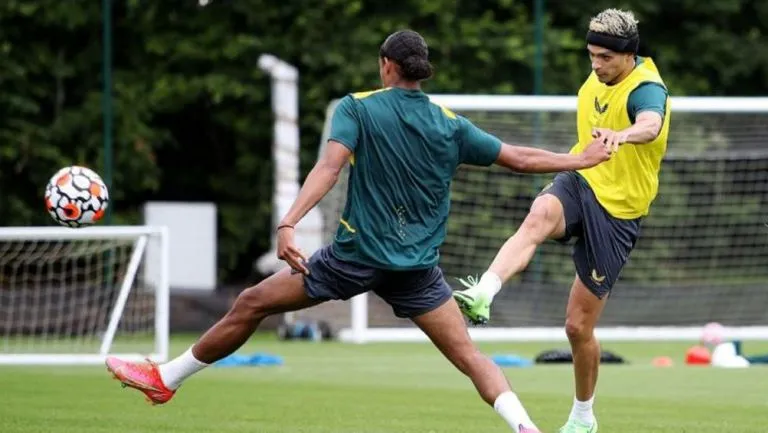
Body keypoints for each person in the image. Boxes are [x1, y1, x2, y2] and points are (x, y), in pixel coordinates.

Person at [105, 29, 611, 433]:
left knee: (252, 303)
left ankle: (166, 379)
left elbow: (328, 169)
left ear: (386, 66)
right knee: (469, 356)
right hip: (416, 269)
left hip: (354, 258)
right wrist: (580, 158)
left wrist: (288, 223)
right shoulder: (449, 123)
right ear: (420, 72)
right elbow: (518, 158)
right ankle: (524, 426)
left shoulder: (358, 107)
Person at [452, 9, 670, 433]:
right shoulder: (597, 75)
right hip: (582, 180)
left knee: (577, 327)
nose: (596, 64)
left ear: (628, 55)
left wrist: (621, 134)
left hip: (619, 212)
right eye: (591, 55)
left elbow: (650, 123)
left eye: (605, 57)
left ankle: (583, 417)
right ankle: (485, 290)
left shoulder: (646, 89)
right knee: (539, 214)